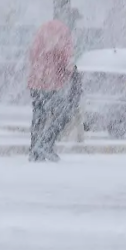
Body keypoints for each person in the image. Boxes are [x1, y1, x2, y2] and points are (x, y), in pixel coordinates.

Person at [27, 19, 75, 162]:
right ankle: (46, 145)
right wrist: (69, 71)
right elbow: (65, 57)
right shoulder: (62, 32)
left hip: (36, 82)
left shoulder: (41, 33)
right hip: (51, 82)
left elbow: (32, 55)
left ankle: (34, 148)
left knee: (38, 115)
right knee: (63, 113)